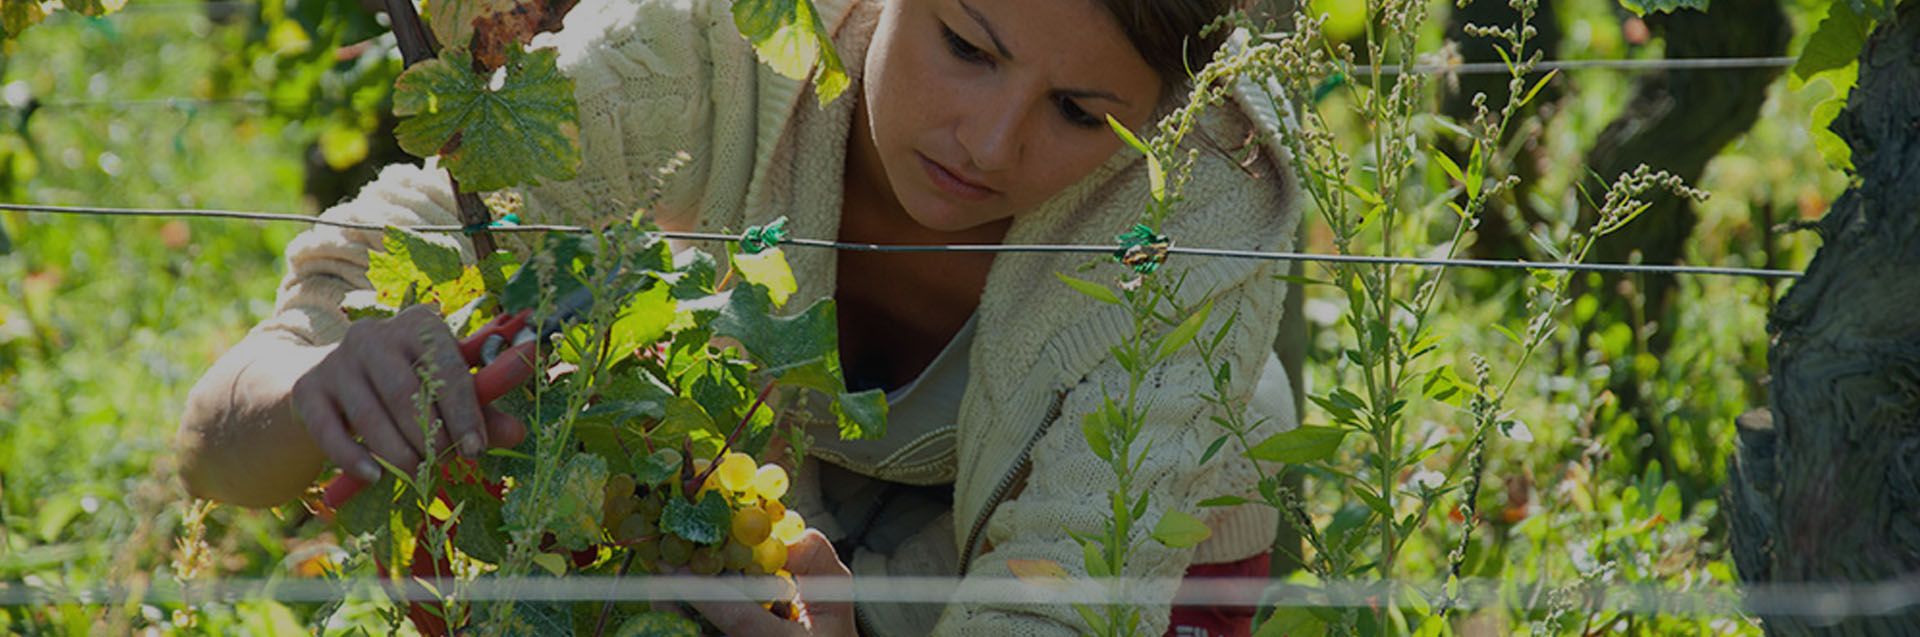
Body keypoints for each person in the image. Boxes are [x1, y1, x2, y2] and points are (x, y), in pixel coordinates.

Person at [175, 0, 1304, 634]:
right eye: (966, 46)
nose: (988, 143)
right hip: (740, 494)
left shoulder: (1210, 193)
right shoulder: (702, 43)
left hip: (989, 559)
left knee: (1235, 438)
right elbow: (218, 446)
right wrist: (306, 389)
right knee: (513, 372)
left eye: (1077, 112)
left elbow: (1067, 600)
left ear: (1169, 114)